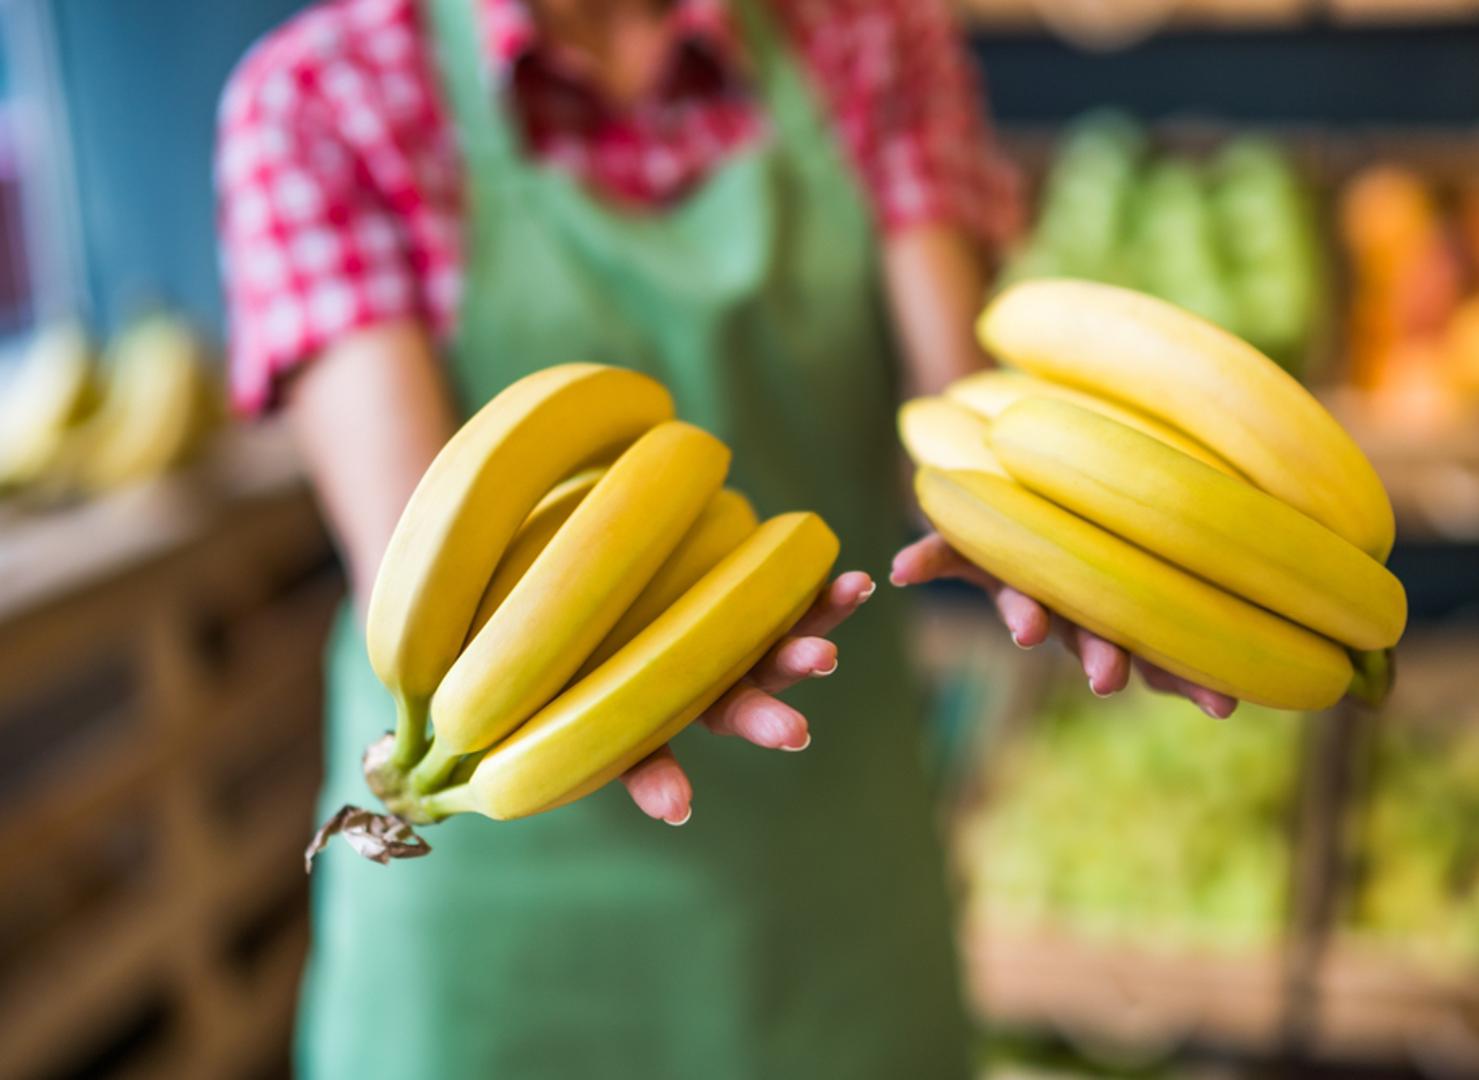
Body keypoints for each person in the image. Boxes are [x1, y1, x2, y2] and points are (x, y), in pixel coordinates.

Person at [217, 1, 1236, 1075]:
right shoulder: (323, 97)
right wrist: (648, 672)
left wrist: (1065, 546)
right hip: (495, 882)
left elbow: (959, 417)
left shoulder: (871, 35)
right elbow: (419, 564)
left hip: (827, 867)